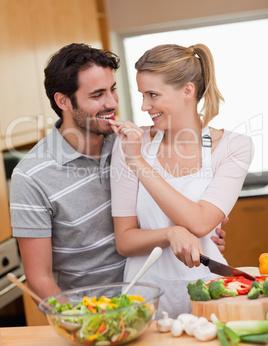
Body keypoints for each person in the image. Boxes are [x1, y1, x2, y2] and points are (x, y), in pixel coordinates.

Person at [9, 43, 227, 301]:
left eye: (112, 89)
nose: (112, 102)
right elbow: (40, 278)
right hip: (91, 312)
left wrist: (203, 239)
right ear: (63, 101)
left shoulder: (132, 143)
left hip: (151, 300)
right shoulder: (31, 177)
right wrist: (80, 321)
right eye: (97, 95)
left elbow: (178, 203)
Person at [109, 43, 254, 318]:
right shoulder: (129, 143)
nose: (144, 106)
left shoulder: (235, 147)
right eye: (142, 95)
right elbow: (125, 241)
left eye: (153, 95)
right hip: (144, 299)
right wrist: (169, 233)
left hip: (210, 294)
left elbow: (200, 222)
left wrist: (138, 162)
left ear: (188, 90)